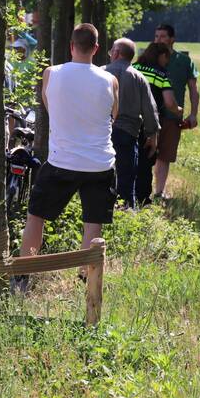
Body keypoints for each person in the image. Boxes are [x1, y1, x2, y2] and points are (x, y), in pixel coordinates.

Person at [17, 23, 118, 288]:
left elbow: (50, 108)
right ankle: (86, 280)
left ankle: (24, 274)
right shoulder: (111, 80)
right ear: (96, 49)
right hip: (100, 163)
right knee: (92, 225)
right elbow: (113, 118)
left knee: (36, 216)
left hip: (62, 161)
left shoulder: (51, 74)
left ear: (71, 45)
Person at [105, 38, 160, 207]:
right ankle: (126, 212)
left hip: (102, 133)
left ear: (116, 53)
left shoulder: (101, 72)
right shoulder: (139, 77)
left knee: (99, 178)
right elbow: (150, 110)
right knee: (126, 180)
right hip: (127, 134)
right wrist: (152, 135)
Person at [152, 24, 199, 200]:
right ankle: (139, 192)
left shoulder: (184, 61)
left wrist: (193, 114)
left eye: (162, 36)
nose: (158, 40)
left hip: (172, 116)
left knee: (164, 154)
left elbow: (193, 89)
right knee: (145, 154)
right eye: (156, 36)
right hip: (149, 115)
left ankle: (158, 192)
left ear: (172, 39)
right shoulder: (148, 59)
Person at [134, 42, 182, 206]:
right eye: (166, 58)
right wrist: (178, 110)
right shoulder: (161, 74)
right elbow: (169, 102)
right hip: (149, 122)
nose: (167, 61)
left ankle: (125, 198)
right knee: (146, 160)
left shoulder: (134, 67)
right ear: (161, 56)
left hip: (127, 120)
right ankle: (143, 201)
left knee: (127, 157)